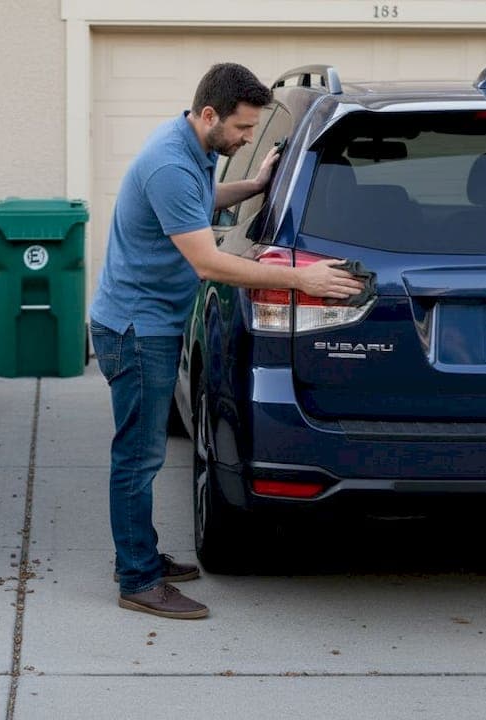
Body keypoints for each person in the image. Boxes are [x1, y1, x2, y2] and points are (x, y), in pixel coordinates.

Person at [89, 62, 363, 619]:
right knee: (137, 459)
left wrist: (255, 185)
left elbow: (199, 203)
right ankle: (137, 579)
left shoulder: (191, 148)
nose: (244, 139)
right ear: (209, 114)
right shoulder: (169, 162)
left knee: (142, 455)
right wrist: (301, 278)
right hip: (137, 331)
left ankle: (142, 556)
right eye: (241, 129)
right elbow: (209, 263)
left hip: (146, 323)